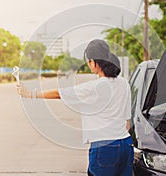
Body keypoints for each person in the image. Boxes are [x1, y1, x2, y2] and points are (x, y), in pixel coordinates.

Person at [17, 39, 133, 176]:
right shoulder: (124, 83)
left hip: (104, 148)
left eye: (89, 61)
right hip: (126, 144)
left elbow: (58, 93)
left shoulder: (94, 87)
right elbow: (127, 120)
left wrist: (30, 94)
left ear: (94, 62)